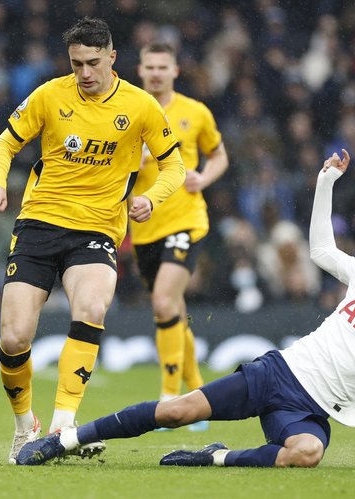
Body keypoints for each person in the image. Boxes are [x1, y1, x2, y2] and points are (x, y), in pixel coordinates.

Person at [15, 150, 355, 471]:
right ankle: (65, 440)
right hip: (278, 373)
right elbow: (322, 251)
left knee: (307, 454)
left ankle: (216, 459)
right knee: (176, 410)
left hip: (309, 411)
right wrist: (325, 184)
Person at [0, 17, 186, 464]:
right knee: (14, 339)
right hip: (38, 223)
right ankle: (24, 426)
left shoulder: (142, 106)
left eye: (94, 63)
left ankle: (61, 426)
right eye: (77, 64)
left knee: (91, 308)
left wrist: (151, 197)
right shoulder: (51, 95)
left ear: (112, 57)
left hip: (96, 230)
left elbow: (175, 168)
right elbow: (3, 146)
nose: (85, 73)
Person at [131, 42, 228, 423]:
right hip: (143, 227)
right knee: (172, 309)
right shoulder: (127, 111)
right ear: (139, 70)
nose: (156, 72)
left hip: (186, 219)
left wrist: (203, 177)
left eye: (163, 66)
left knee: (161, 302)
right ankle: (199, 398)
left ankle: (170, 398)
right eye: (150, 66)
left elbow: (219, 154)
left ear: (175, 71)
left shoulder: (195, 112)